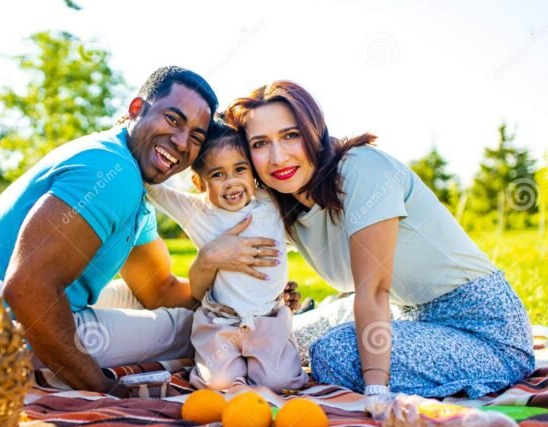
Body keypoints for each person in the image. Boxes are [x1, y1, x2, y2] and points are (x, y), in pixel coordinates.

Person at [0, 67, 293, 394]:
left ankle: (266, 316)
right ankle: (274, 333)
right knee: (192, 326)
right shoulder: (112, 173)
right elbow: (26, 288)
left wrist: (252, 290)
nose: (180, 141)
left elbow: (157, 290)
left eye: (196, 137)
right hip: (7, 334)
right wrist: (103, 388)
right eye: (172, 119)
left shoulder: (127, 176)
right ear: (136, 109)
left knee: (141, 298)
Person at [188, 80, 534, 399]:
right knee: (288, 338)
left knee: (331, 352)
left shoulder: (363, 169)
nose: (278, 157)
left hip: (484, 330)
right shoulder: (283, 206)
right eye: (261, 144)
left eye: (290, 135)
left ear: (314, 132)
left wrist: (376, 391)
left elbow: (373, 291)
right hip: (406, 315)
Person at [145, 120, 306, 393]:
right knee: (219, 384)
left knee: (279, 383)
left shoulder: (270, 202)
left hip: (268, 320)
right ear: (200, 181)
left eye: (240, 169)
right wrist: (140, 137)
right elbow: (152, 187)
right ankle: (227, 371)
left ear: (253, 171)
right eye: (217, 174)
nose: (231, 182)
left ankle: (265, 363)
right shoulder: (197, 211)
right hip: (220, 322)